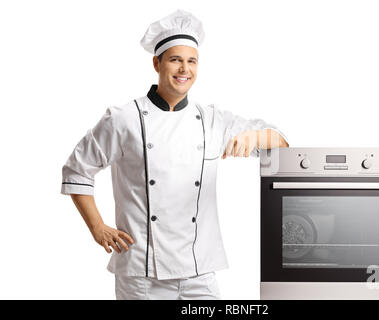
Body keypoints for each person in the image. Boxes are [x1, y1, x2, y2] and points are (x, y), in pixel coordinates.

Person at [61, 9, 289, 300]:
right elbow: (76, 169)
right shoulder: (124, 118)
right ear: (157, 63)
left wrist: (256, 135)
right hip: (142, 276)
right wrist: (97, 227)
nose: (185, 69)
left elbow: (281, 144)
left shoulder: (212, 120)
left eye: (191, 61)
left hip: (199, 271)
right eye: (175, 60)